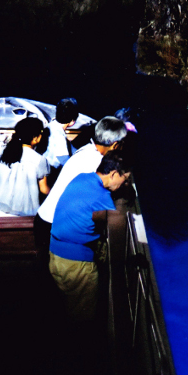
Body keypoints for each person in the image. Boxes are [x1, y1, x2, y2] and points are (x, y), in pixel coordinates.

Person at [48, 152, 131, 320]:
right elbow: (115, 223)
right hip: (76, 265)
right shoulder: (102, 198)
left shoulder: (81, 178)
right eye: (125, 179)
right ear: (114, 174)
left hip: (55, 256)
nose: (125, 184)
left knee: (65, 309)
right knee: (83, 317)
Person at [34, 116, 128, 254]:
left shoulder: (87, 149)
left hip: (44, 218)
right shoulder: (97, 165)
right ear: (115, 145)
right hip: (54, 225)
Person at [0, 117, 50, 217]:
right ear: (36, 138)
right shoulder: (39, 159)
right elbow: (44, 189)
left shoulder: (3, 152)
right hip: (23, 213)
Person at [44, 97, 79, 169]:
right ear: (72, 121)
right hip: (52, 170)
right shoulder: (59, 135)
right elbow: (63, 159)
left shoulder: (51, 125)